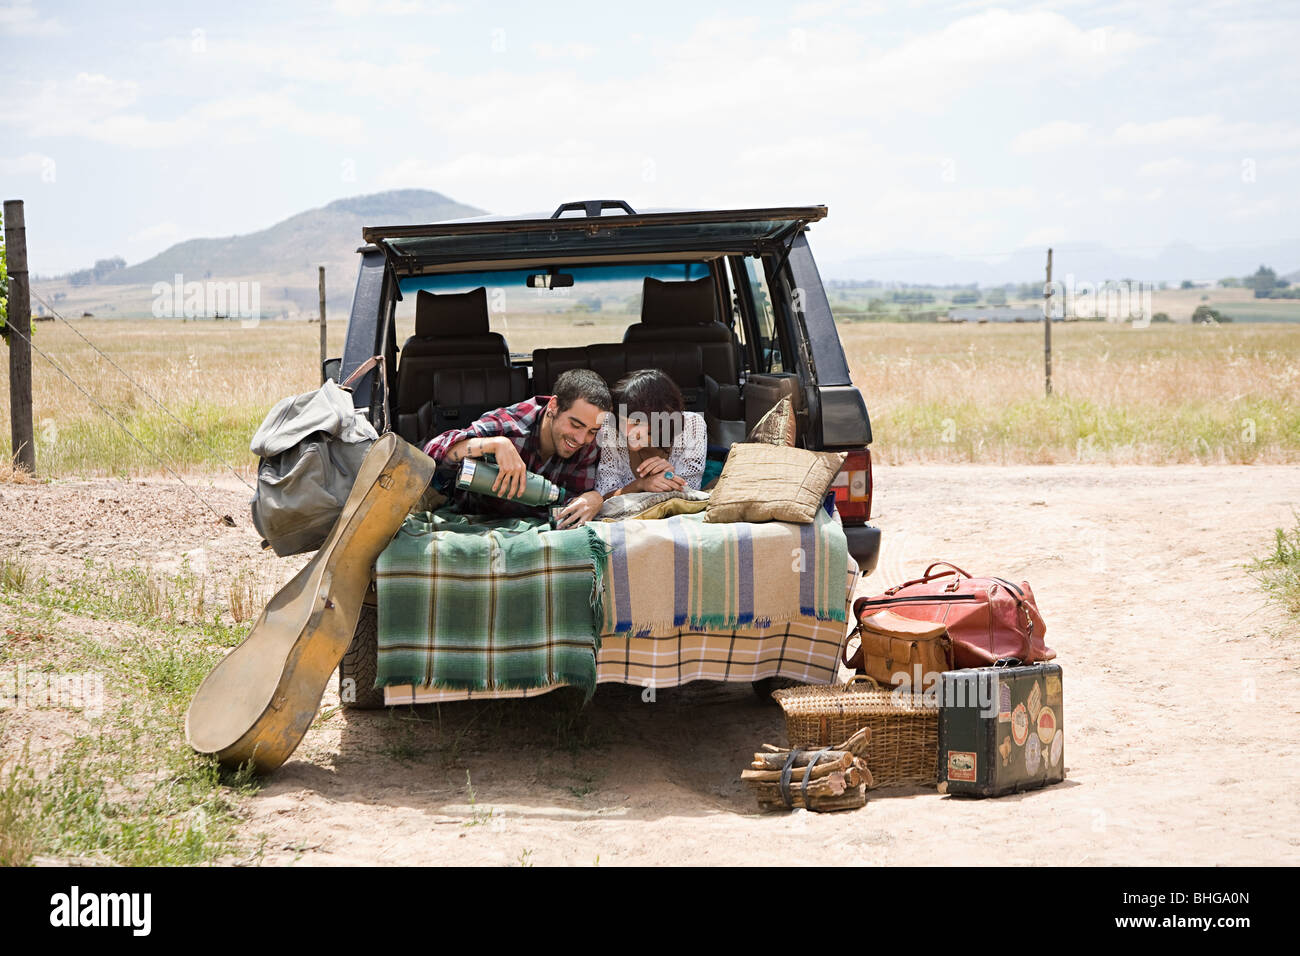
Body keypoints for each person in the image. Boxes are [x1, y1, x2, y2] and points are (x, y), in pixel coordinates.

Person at [423, 368, 612, 527]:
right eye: (575, 425)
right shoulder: (509, 426)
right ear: (553, 406)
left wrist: (595, 499)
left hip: (534, 532)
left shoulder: (588, 444)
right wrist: (493, 444)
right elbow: (430, 455)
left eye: (592, 430)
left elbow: (569, 504)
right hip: (473, 521)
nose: (581, 439)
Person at [596, 368, 707, 499]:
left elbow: (692, 495)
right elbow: (602, 499)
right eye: (621, 420)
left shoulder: (692, 426)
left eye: (637, 422)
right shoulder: (611, 429)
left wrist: (669, 477)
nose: (626, 431)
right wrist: (640, 485)